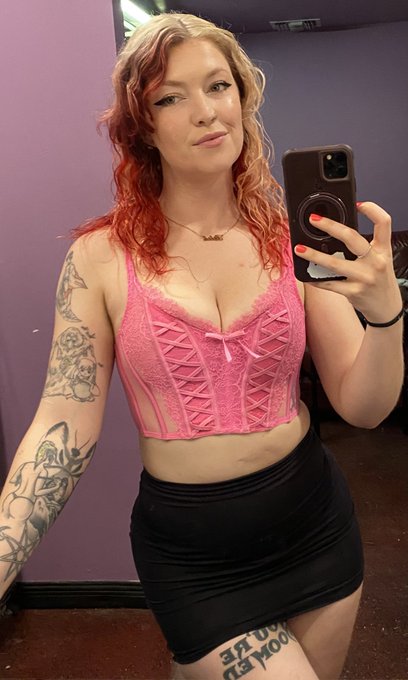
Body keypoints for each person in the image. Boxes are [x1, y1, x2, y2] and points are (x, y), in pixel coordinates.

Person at [0, 12, 404, 680]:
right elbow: (62, 423)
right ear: (143, 126)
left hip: (315, 527)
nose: (206, 112)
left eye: (219, 86)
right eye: (170, 97)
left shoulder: (297, 239)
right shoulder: (99, 259)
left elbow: (364, 408)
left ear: (243, 99)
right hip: (195, 559)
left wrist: (386, 316)